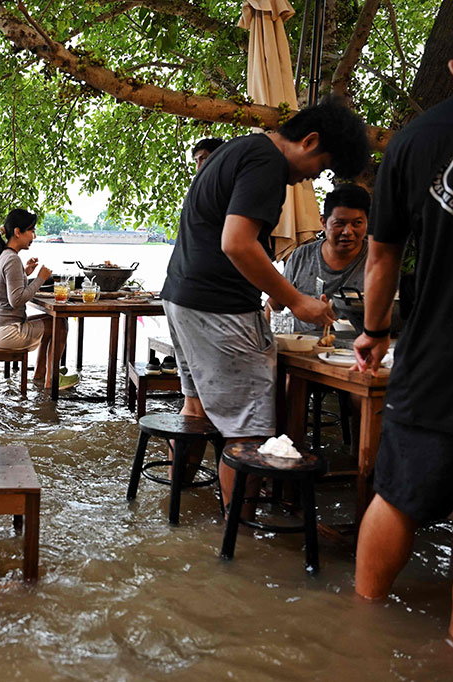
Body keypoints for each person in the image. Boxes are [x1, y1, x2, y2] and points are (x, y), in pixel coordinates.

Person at [353, 0, 453, 653]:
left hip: (435, 355)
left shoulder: (416, 140)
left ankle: (354, 637)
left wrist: (374, 331)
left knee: (399, 496)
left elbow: (382, 256)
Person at [160, 97, 368, 499]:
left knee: (196, 410)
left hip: (181, 297)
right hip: (220, 308)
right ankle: (237, 546)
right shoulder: (267, 163)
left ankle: (178, 520)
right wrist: (297, 300)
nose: (311, 178)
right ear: (309, 141)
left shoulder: (239, 148)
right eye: (321, 167)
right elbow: (237, 244)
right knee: (251, 434)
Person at [0, 208, 73, 386]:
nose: (34, 236)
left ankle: (42, 374)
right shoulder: (12, 259)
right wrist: (40, 278)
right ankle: (52, 379)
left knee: (52, 320)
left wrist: (25, 273)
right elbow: (16, 299)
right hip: (7, 332)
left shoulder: (2, 256)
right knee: (60, 324)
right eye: (31, 231)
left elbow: (6, 287)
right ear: (18, 232)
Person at [273, 183, 370, 332]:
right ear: (324, 222)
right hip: (302, 345)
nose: (348, 231)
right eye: (340, 223)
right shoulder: (301, 256)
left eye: (357, 223)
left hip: (358, 347)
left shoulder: (376, 259)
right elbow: (274, 304)